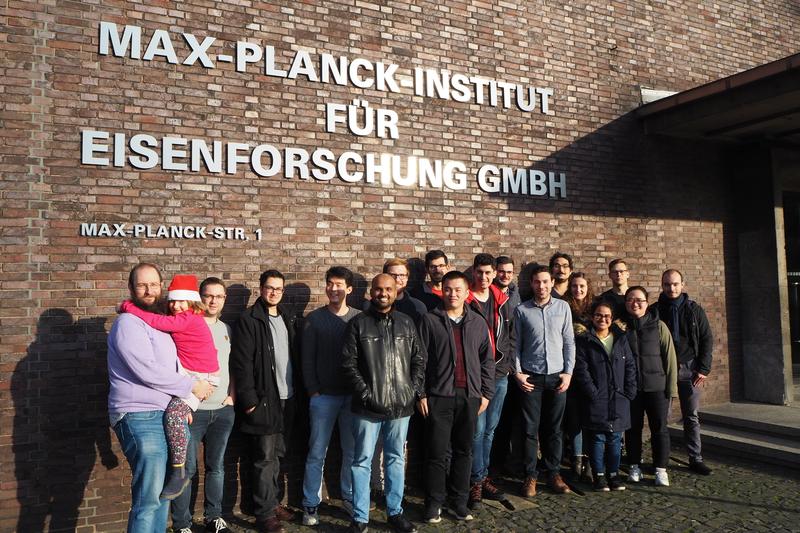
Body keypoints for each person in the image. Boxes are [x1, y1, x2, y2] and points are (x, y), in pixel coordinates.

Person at [108, 263, 212, 533]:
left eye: (154, 284)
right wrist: (191, 386)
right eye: (142, 285)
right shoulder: (128, 323)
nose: (149, 290)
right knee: (149, 499)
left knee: (162, 498)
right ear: (131, 288)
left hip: (163, 413)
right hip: (139, 415)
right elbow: (146, 370)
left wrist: (184, 402)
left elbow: (175, 364)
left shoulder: (159, 322)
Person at [342, 274, 424, 533]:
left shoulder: (407, 323)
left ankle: (395, 512)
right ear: (371, 292)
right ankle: (360, 517)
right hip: (367, 407)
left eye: (388, 289)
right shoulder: (357, 324)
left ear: (396, 290)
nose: (383, 293)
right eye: (378, 289)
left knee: (396, 459)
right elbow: (348, 364)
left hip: (401, 407)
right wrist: (367, 395)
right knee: (362, 460)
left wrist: (411, 390)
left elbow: (419, 360)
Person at [418, 271, 494, 522]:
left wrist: (486, 393)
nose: (452, 294)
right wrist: (421, 394)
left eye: (458, 289)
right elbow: (419, 361)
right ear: (443, 291)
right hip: (439, 395)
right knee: (437, 453)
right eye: (448, 289)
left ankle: (459, 501)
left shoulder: (478, 322)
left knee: (464, 451)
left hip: (470, 396)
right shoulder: (429, 320)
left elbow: (487, 361)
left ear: (466, 292)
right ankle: (434, 503)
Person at [230, 269, 300, 533]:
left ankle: (273, 504)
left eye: (279, 289)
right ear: (260, 288)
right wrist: (249, 401)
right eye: (269, 287)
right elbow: (242, 362)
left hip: (287, 399)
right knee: (264, 458)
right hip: (263, 401)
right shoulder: (249, 320)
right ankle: (263, 514)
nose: (274, 292)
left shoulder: (287, 318)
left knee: (278, 455)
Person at [167, 277, 236, 533]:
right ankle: (182, 524)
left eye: (219, 296)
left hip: (223, 409)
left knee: (216, 467)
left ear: (224, 299)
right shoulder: (185, 323)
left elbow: (233, 366)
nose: (213, 301)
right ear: (200, 297)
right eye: (208, 295)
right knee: (187, 468)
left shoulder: (228, 329)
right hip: (192, 411)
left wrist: (232, 396)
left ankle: (213, 517)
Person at [301, 267, 361, 526]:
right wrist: (313, 390)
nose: (333, 288)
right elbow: (306, 358)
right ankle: (310, 504)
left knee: (352, 451)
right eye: (329, 284)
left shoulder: (360, 318)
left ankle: (348, 497)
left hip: (352, 397)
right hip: (323, 397)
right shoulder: (314, 319)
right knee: (317, 451)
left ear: (349, 289)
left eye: (339, 284)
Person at [513, 266, 575, 497]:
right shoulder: (522, 310)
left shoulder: (563, 307)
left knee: (555, 428)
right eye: (537, 282)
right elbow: (515, 344)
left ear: (552, 282)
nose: (542, 286)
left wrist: (568, 372)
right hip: (532, 377)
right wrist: (518, 373)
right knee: (530, 429)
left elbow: (569, 342)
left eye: (546, 282)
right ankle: (530, 475)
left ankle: (553, 473)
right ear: (531, 284)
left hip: (558, 376)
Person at [573, 301, 637, 492]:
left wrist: (629, 391)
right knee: (598, 438)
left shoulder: (621, 339)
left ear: (612, 319)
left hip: (619, 399)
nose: (603, 319)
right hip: (597, 399)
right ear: (593, 317)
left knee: (615, 438)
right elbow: (582, 371)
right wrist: (593, 393)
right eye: (599, 315)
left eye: (607, 316)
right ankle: (599, 476)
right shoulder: (585, 340)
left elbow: (630, 367)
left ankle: (614, 475)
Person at [466, 254, 513, 508]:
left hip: (499, 374)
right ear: (473, 272)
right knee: (477, 430)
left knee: (490, 430)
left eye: (488, 273)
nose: (483, 277)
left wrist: (506, 364)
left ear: (494, 273)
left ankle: (483, 477)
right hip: (476, 377)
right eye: (479, 272)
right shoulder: (466, 299)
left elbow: (510, 336)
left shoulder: (502, 299)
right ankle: (475, 481)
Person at [657, 269, 714, 475]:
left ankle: (695, 458)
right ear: (662, 285)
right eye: (667, 284)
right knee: (662, 416)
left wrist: (704, 368)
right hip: (665, 370)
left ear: (682, 285)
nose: (671, 288)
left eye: (675, 284)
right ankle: (661, 459)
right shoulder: (655, 310)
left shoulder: (693, 310)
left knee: (691, 416)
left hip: (690, 369)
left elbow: (707, 338)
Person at [623, 286, 678, 487]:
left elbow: (670, 358)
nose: (634, 303)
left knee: (659, 429)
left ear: (647, 302)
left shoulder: (659, 326)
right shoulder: (621, 328)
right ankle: (634, 466)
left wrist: (671, 390)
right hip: (631, 389)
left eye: (639, 300)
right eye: (630, 300)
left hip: (657, 388)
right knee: (632, 429)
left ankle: (660, 469)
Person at [562, 272, 595, 480]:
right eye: (574, 286)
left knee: (591, 416)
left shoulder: (595, 309)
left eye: (582, 286)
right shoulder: (564, 307)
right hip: (570, 369)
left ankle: (591, 460)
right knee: (573, 418)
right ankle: (576, 458)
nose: (578, 290)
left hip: (591, 367)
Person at [383, 258, 428, 325]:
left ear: (407, 278)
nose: (397, 280)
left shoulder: (418, 307)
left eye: (401, 275)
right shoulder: (372, 306)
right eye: (392, 275)